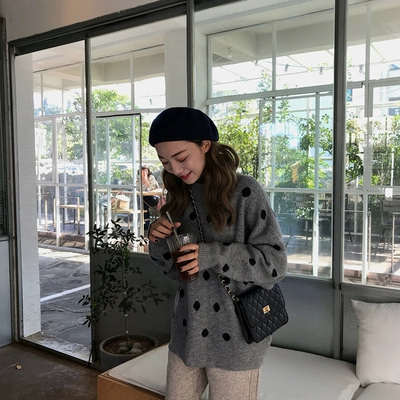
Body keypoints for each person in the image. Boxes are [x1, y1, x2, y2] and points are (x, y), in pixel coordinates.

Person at [147, 107, 287, 400]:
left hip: (236, 337)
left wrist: (211, 255)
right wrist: (158, 240)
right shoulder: (179, 196)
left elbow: (275, 264)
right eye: (165, 161)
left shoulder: (245, 191)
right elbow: (175, 272)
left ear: (205, 145)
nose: (174, 169)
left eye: (181, 157)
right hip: (188, 330)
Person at [137, 165, 160, 229]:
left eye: (146, 171)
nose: (145, 172)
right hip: (143, 198)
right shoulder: (138, 179)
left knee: (143, 202)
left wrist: (145, 179)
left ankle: (146, 222)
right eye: (143, 171)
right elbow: (137, 189)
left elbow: (150, 189)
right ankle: (145, 222)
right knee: (140, 201)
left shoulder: (151, 177)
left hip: (153, 197)